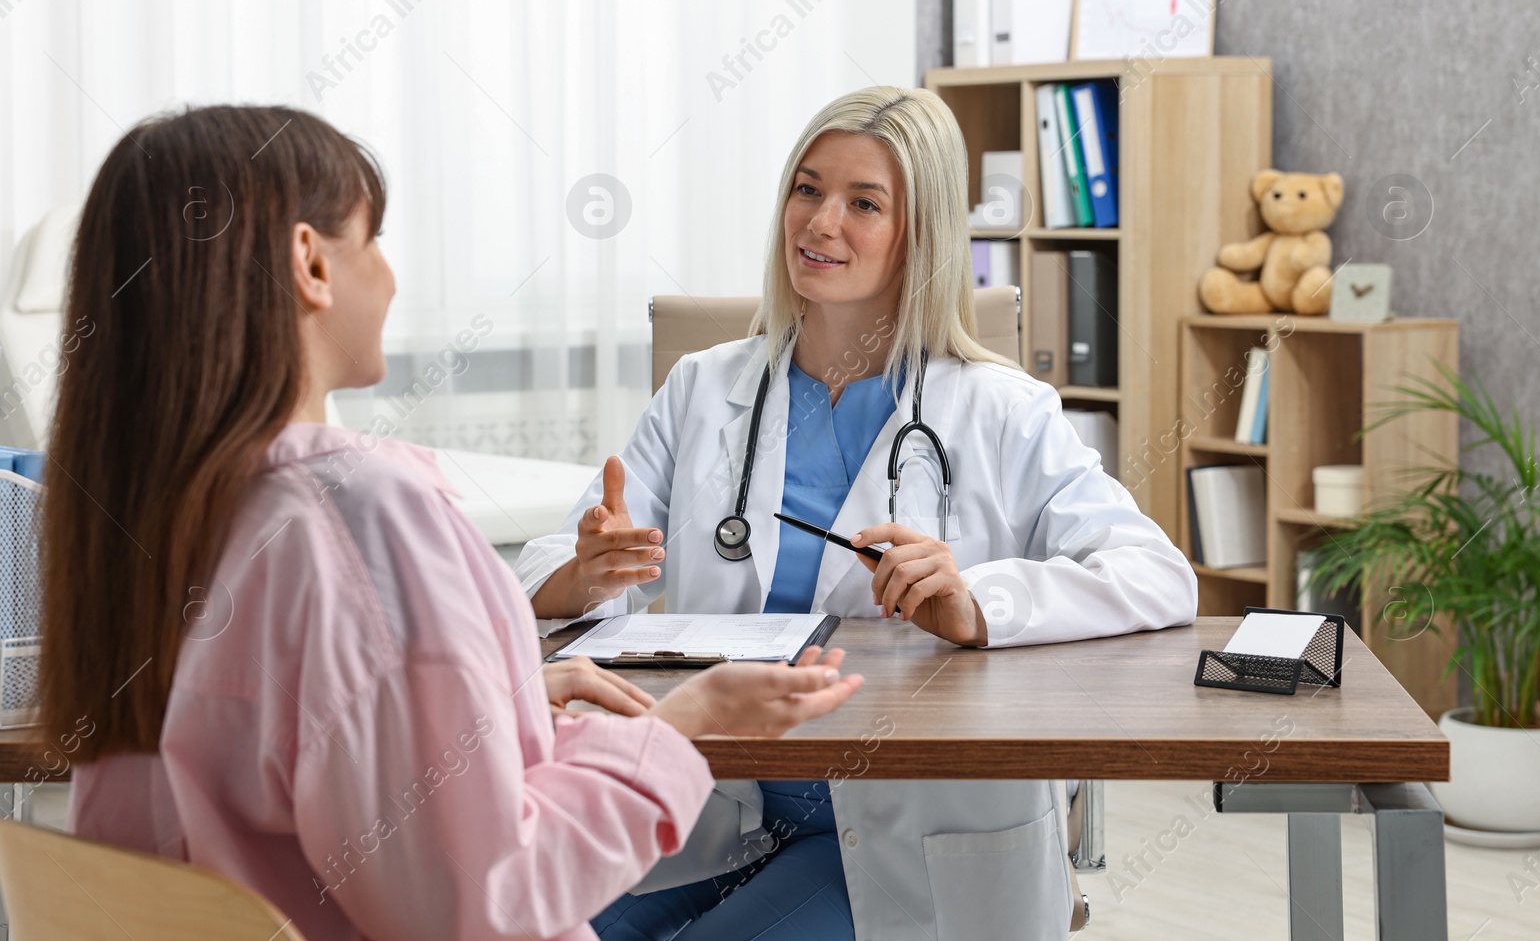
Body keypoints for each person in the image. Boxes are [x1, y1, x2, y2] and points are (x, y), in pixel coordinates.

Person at [40, 105, 862, 941]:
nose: (391, 277)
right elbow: (481, 903)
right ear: (310, 262)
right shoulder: (362, 518)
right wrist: (687, 722)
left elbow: (286, 753)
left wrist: (492, 703)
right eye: (373, 238)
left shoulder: (140, 522)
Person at [517, 86, 1199, 941]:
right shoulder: (703, 389)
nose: (820, 221)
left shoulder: (1003, 411)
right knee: (517, 925)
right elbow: (564, 555)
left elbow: (1155, 572)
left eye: (863, 203)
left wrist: (978, 601)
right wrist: (582, 574)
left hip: (909, 840)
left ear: (924, 234)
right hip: (716, 805)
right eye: (807, 189)